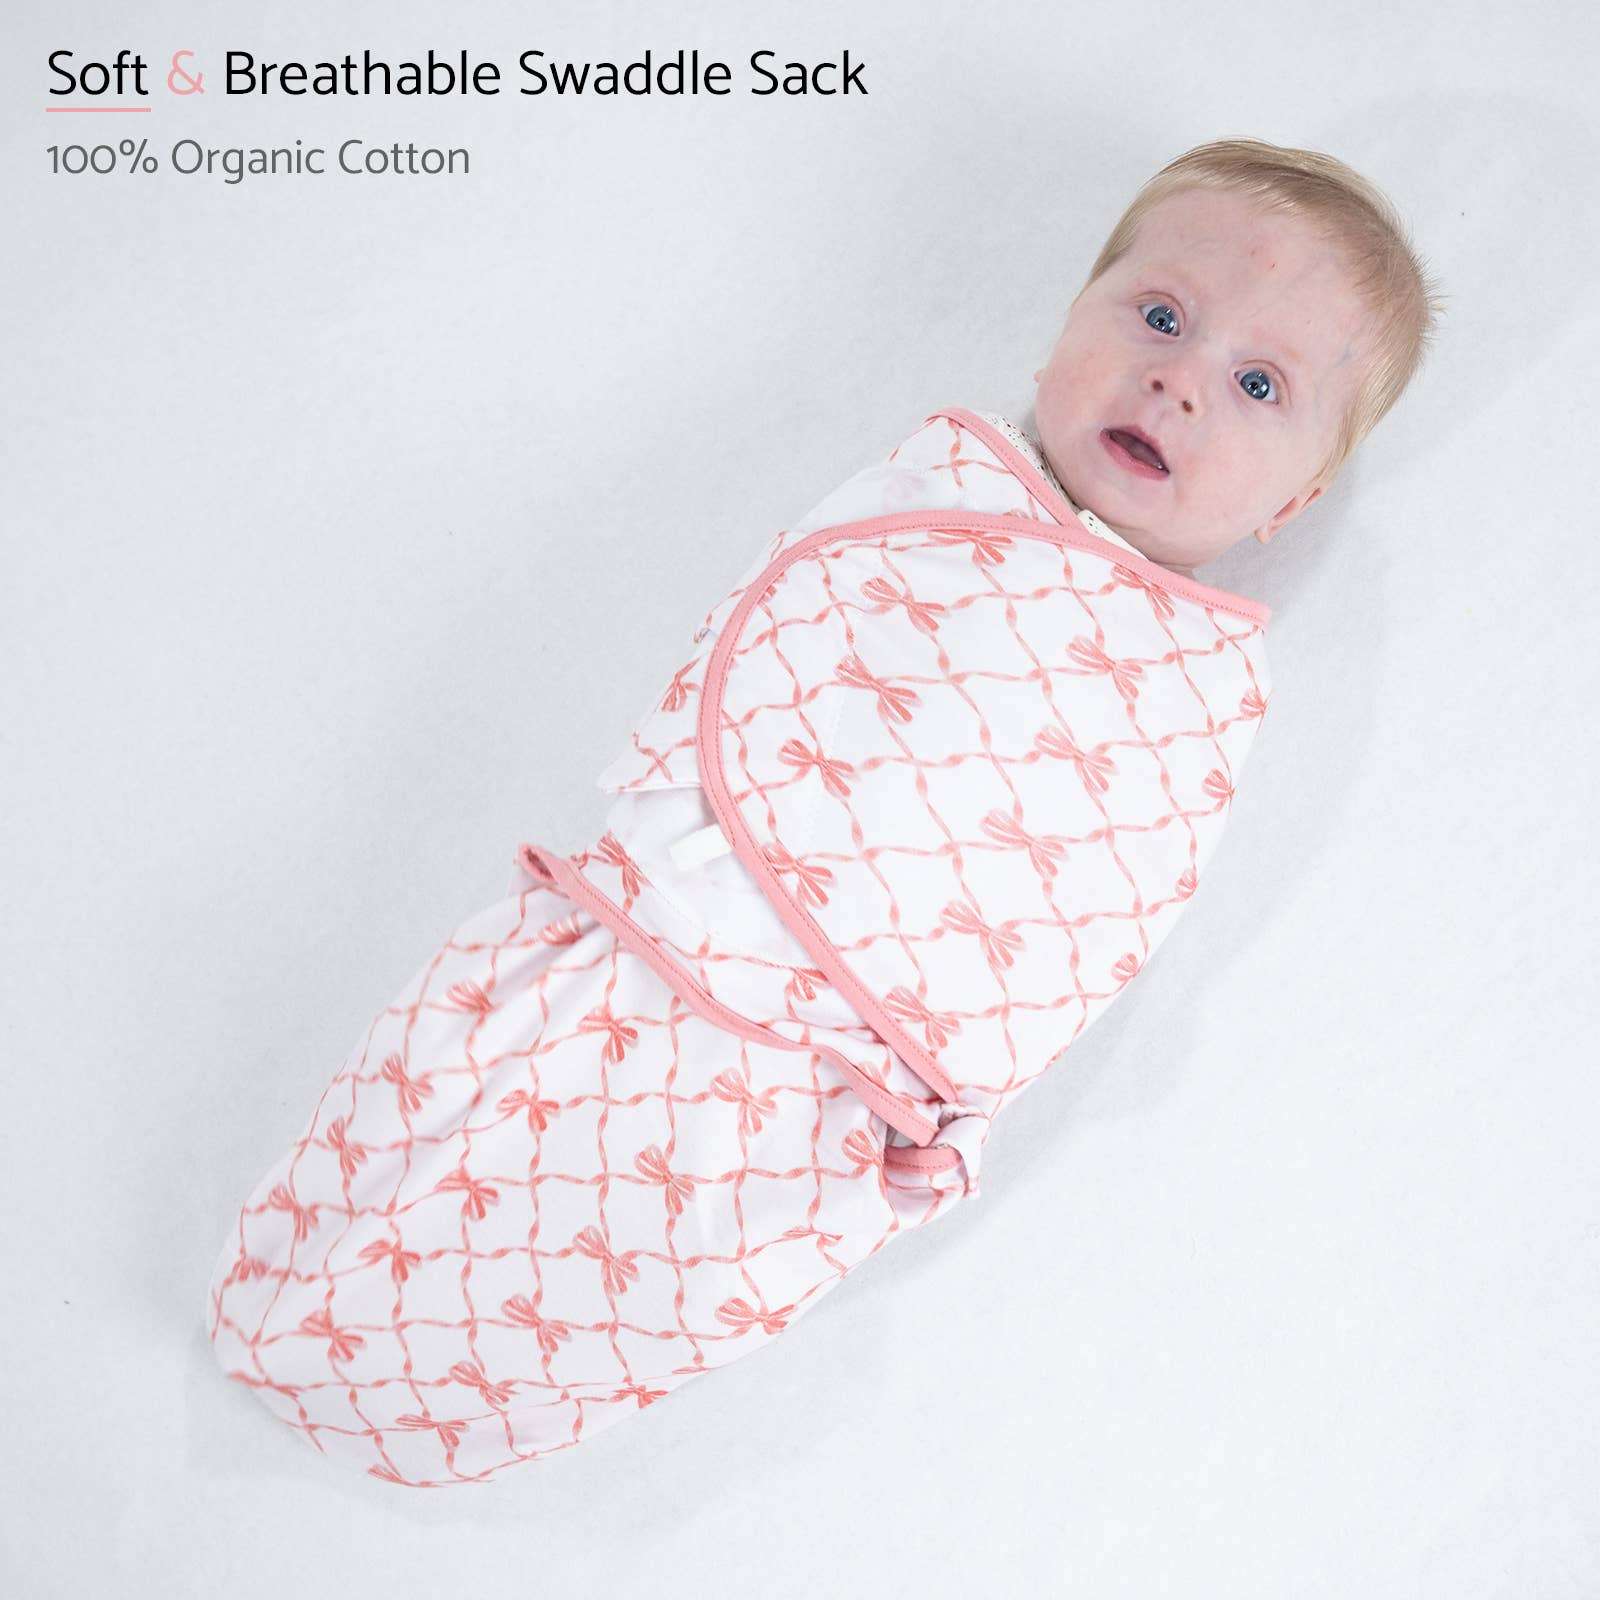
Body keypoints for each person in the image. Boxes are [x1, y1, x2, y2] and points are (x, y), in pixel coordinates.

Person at [204, 137, 1444, 1487]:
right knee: (447, 1119)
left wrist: (954, 1103)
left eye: (1259, 385)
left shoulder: (1198, 693)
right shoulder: (941, 499)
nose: (1179, 379)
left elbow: (1106, 912)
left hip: (832, 1090)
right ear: (1066, 323)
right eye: (1159, 315)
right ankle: (283, 1295)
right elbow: (784, 635)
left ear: (1295, 500)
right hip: (653, 935)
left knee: (663, 1273)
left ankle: (421, 1422)